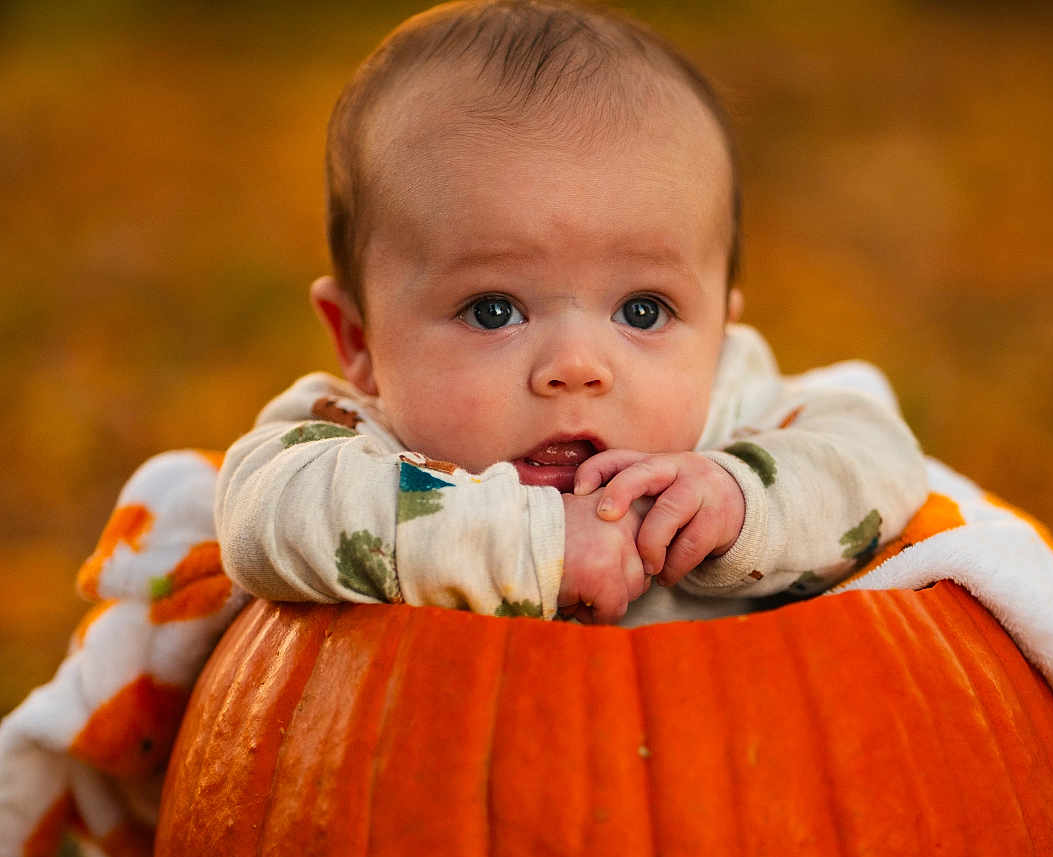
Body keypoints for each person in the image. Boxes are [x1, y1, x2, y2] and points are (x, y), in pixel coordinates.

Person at [214, 0, 930, 627]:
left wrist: (741, 501)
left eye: (644, 311)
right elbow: (262, 521)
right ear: (360, 342)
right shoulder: (350, 446)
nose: (576, 368)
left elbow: (881, 465)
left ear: (719, 336)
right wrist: (536, 543)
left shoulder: (736, 413)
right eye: (494, 310)